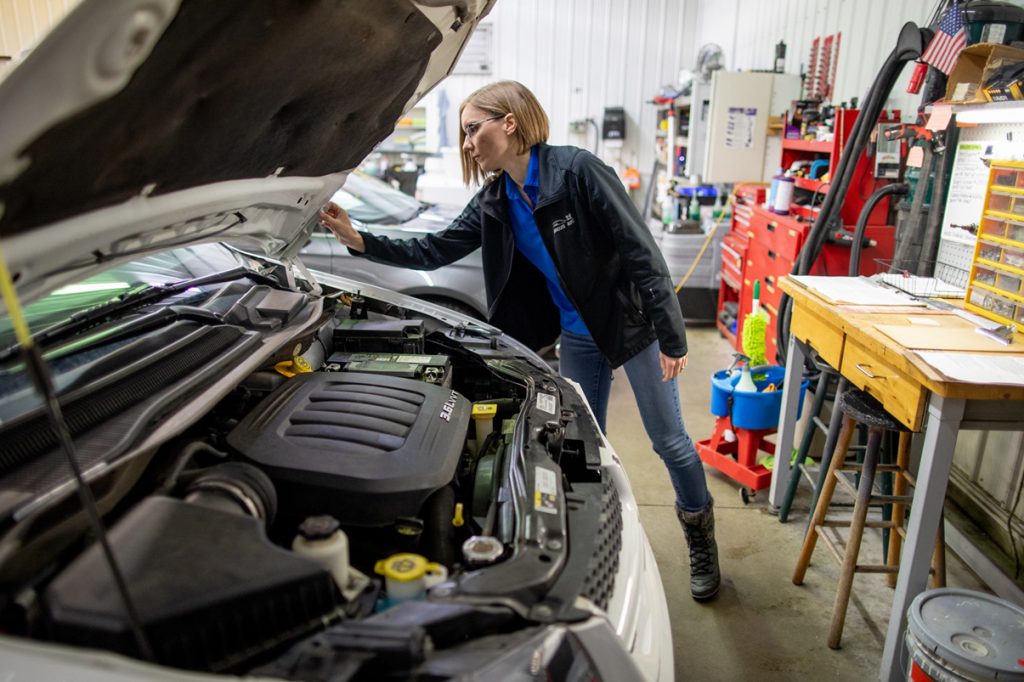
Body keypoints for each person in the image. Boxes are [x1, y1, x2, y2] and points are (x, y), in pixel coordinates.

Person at [320, 80, 721, 600]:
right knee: (581, 446)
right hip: (577, 336)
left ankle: (700, 535)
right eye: (462, 133)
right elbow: (434, 249)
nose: (466, 143)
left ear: (508, 122)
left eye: (471, 129)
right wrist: (360, 240)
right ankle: (592, 542)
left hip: (632, 327)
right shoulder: (496, 200)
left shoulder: (577, 171)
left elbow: (641, 251)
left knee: (668, 439)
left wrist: (673, 336)